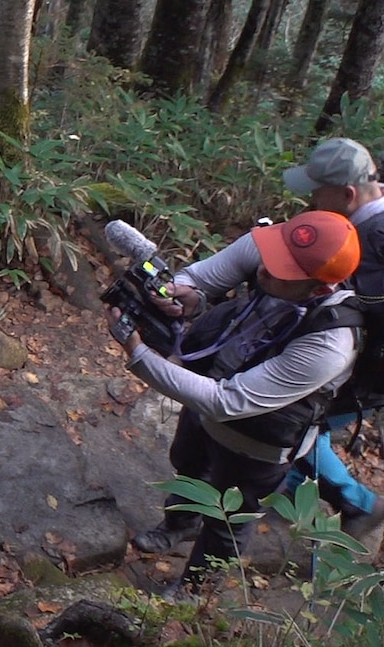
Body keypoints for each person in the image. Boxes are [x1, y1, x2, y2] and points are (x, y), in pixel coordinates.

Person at [109, 211, 362, 594]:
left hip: (259, 440)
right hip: (208, 392)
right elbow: (201, 277)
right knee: (189, 465)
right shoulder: (273, 249)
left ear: (317, 289)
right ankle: (179, 525)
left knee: (229, 519)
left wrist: (139, 354)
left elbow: (227, 402)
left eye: (282, 272)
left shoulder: (331, 344)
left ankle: (193, 591)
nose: (266, 269)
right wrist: (183, 294)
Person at [276, 139, 384, 547]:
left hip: (367, 369)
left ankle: (359, 504)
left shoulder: (375, 238)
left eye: (317, 191)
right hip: (361, 362)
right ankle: (284, 485)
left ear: (348, 193)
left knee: (299, 421)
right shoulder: (367, 220)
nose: (311, 200)